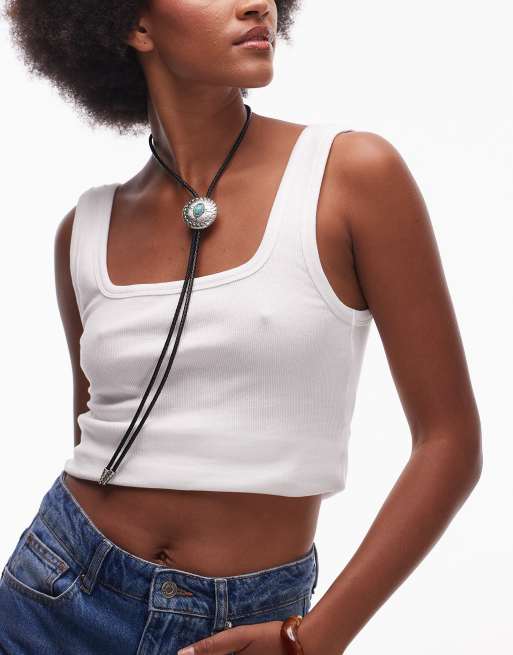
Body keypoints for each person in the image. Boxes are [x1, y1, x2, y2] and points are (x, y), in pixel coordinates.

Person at [0, 1, 482, 654]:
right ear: (134, 24)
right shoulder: (83, 231)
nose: (257, 4)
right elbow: (101, 440)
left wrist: (313, 638)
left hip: (245, 624)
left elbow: (450, 443)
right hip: (54, 595)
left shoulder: (350, 176)